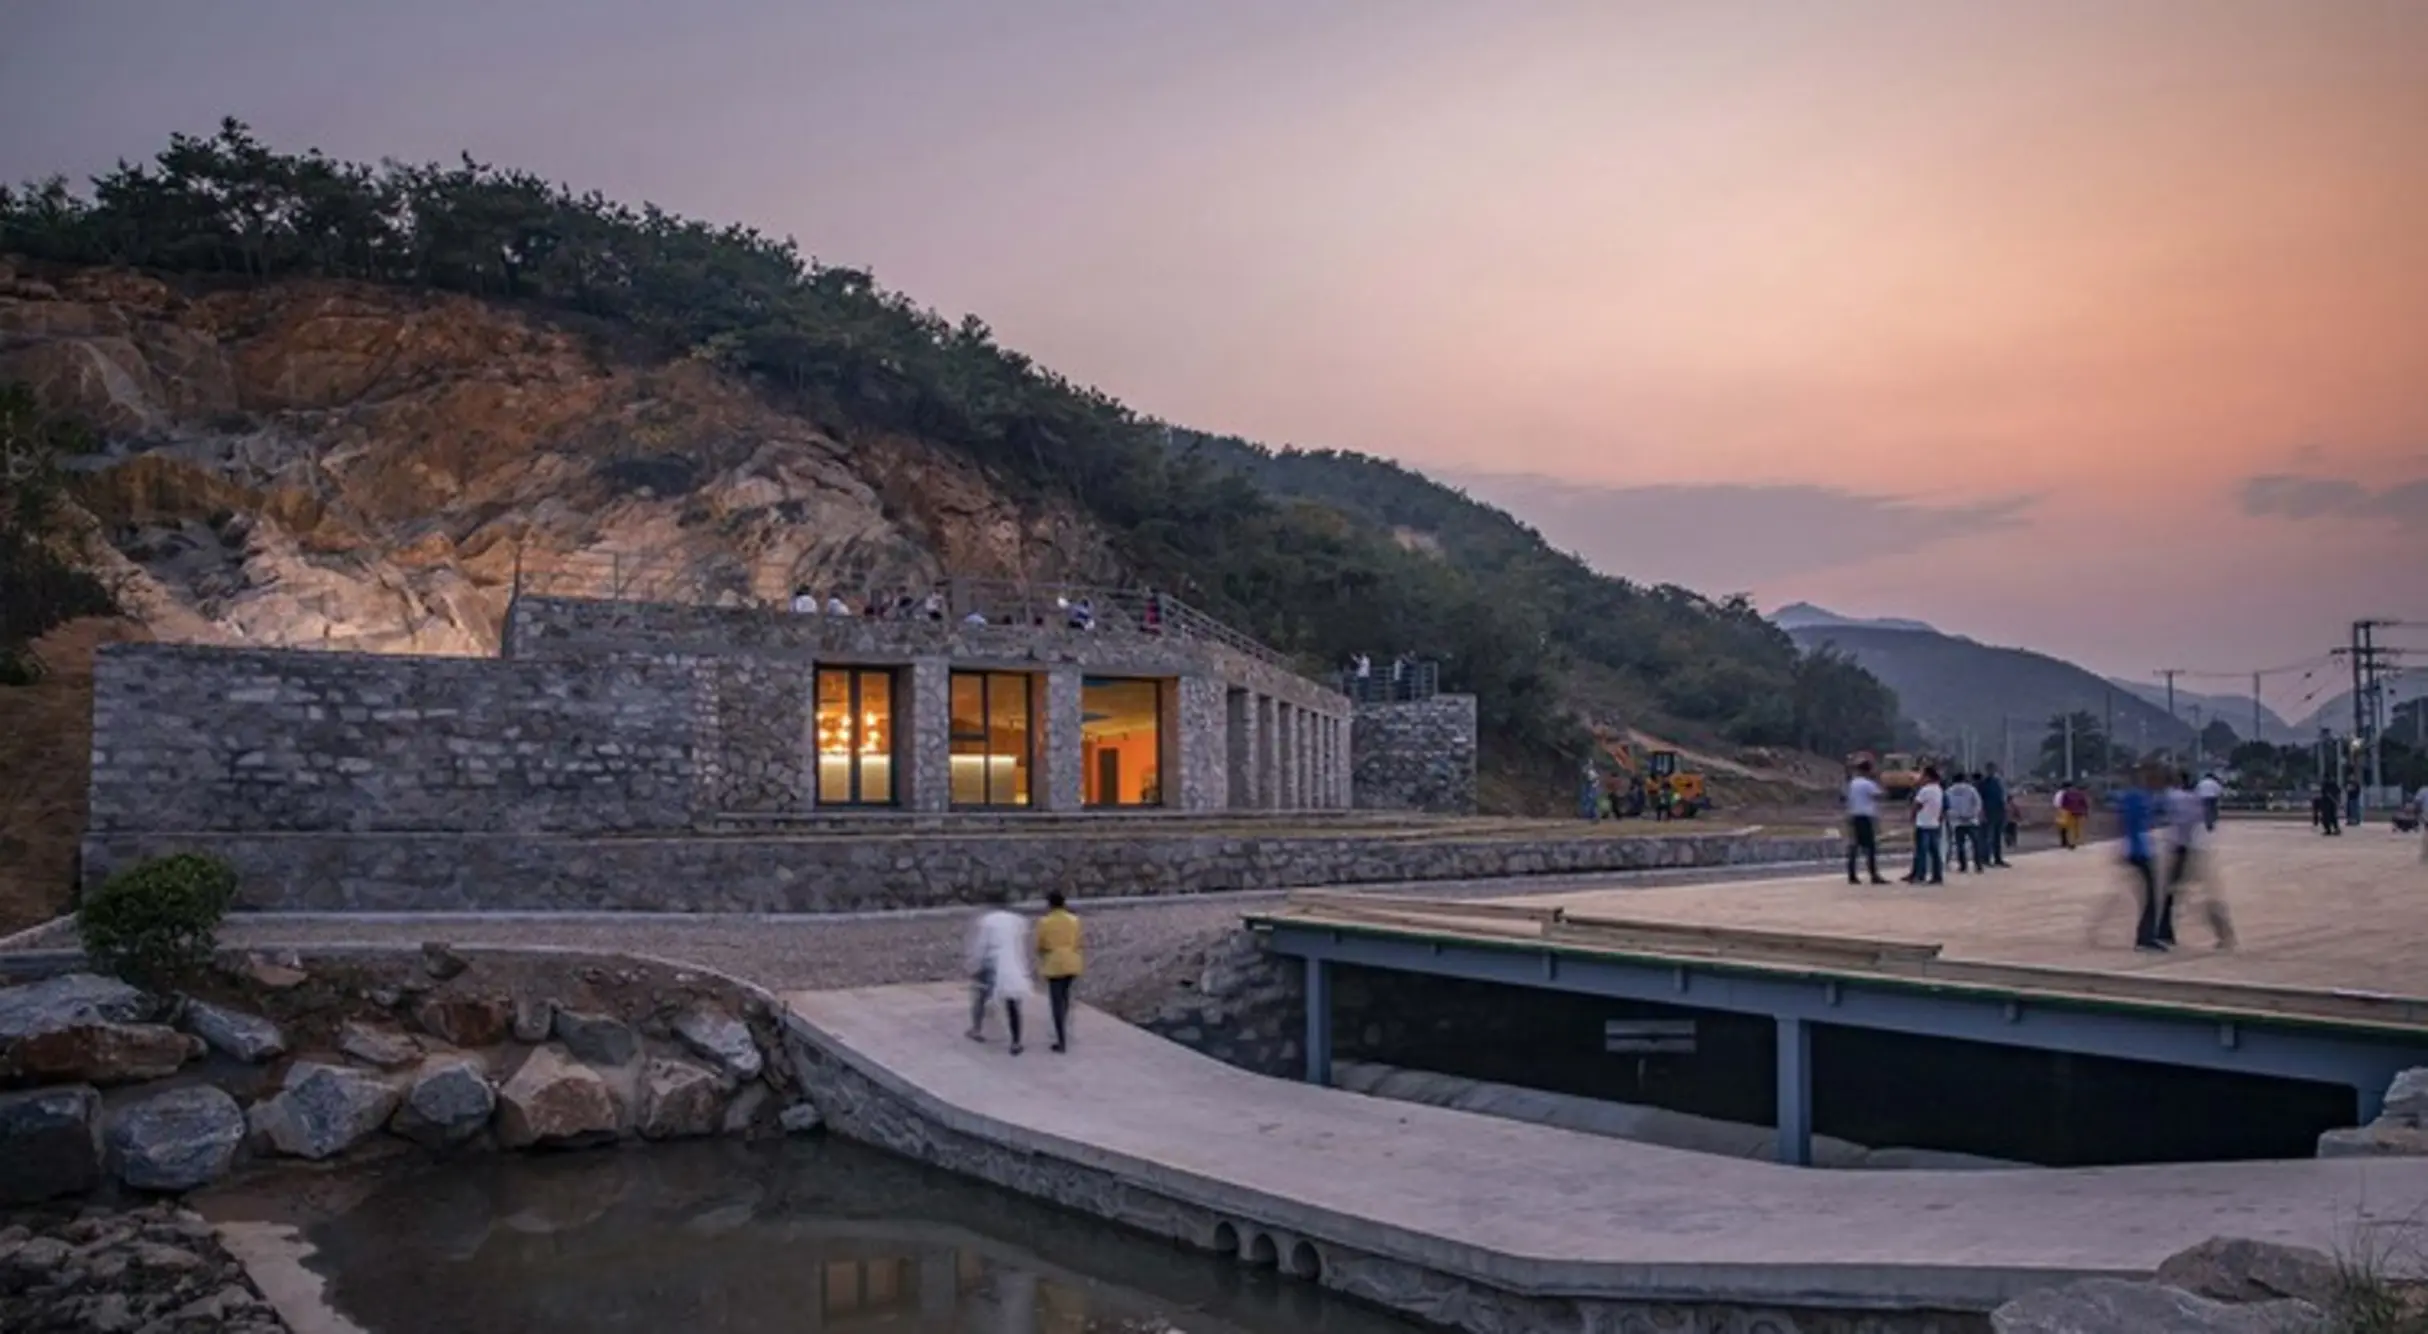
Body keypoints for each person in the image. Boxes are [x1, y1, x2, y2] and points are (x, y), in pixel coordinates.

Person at [2166, 769, 2234, 949]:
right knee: (2205, 893)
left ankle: (2164, 931)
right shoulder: (2192, 798)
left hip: (2186, 848)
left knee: (2172, 892)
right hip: (2197, 846)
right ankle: (2224, 933)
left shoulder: (2177, 797)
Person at [965, 891, 1034, 1054]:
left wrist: (974, 964)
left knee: (981, 996)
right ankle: (1016, 1041)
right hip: (1014, 963)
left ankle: (977, 1029)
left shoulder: (987, 921)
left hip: (992, 962)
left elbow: (981, 945)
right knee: (1013, 1004)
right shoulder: (1019, 921)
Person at [2116, 766, 2169, 951]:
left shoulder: (2136, 796)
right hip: (2139, 851)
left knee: (2151, 895)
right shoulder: (2137, 797)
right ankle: (2145, 937)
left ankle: (2147, 935)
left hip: (2139, 849)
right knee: (2151, 896)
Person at [1034, 891, 1084, 1053]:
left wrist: (1042, 954)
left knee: (1056, 1002)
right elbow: (1077, 941)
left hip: (1054, 963)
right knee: (1065, 996)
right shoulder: (1074, 920)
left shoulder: (1045, 922)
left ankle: (1061, 1039)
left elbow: (1040, 945)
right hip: (1072, 961)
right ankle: (1064, 1025)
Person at [1845, 759, 1888, 885]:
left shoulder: (1853, 783)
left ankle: (1852, 874)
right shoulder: (1868, 784)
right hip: (1865, 816)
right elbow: (1880, 795)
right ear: (1868, 770)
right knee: (1870, 847)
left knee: (1854, 846)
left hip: (1853, 814)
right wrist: (1879, 781)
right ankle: (1874, 874)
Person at [1905, 766, 1946, 885]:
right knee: (1935, 852)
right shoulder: (1938, 789)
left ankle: (1920, 875)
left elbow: (1916, 805)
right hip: (1934, 824)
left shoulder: (1925, 790)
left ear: (1928, 776)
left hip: (1923, 824)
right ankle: (1937, 876)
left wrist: (1911, 817)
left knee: (1921, 852)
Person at [1945, 771, 1983, 873]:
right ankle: (1978, 865)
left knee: (1960, 844)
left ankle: (1963, 866)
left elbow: (1947, 807)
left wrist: (1955, 816)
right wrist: (1973, 814)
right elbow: (1978, 803)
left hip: (1957, 822)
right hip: (1971, 820)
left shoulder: (1949, 791)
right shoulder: (1971, 789)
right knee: (1975, 844)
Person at [1978, 765, 2011, 867]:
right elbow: (1980, 799)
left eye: (1993, 770)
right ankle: (1985, 858)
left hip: (1999, 811)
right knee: (1988, 836)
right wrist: (1982, 812)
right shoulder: (1983, 783)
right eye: (1989, 770)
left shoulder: (1999, 783)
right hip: (1988, 811)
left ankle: (1998, 858)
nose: (1992, 772)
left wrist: (2006, 810)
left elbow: (2004, 797)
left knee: (1997, 836)